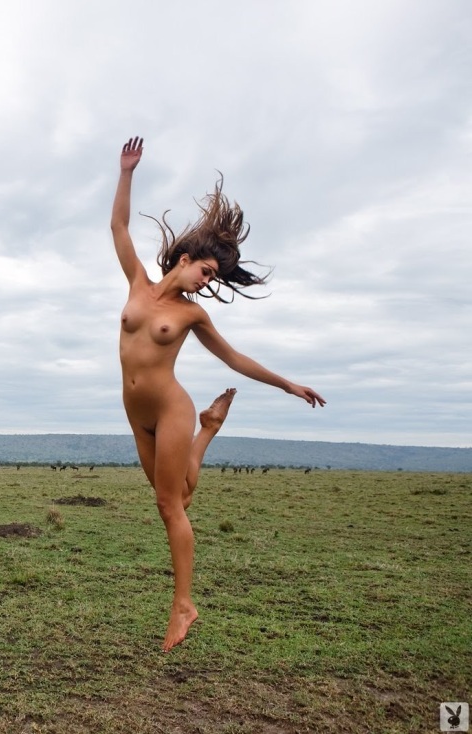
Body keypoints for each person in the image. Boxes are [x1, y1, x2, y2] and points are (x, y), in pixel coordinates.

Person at [110, 136, 326, 651]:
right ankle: (210, 432)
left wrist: (287, 383)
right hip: (134, 411)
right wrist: (126, 173)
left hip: (168, 407)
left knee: (170, 506)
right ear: (185, 258)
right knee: (179, 496)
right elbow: (118, 227)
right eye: (206, 272)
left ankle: (184, 605)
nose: (207, 283)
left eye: (212, 279)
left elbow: (234, 359)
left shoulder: (192, 314)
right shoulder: (138, 283)